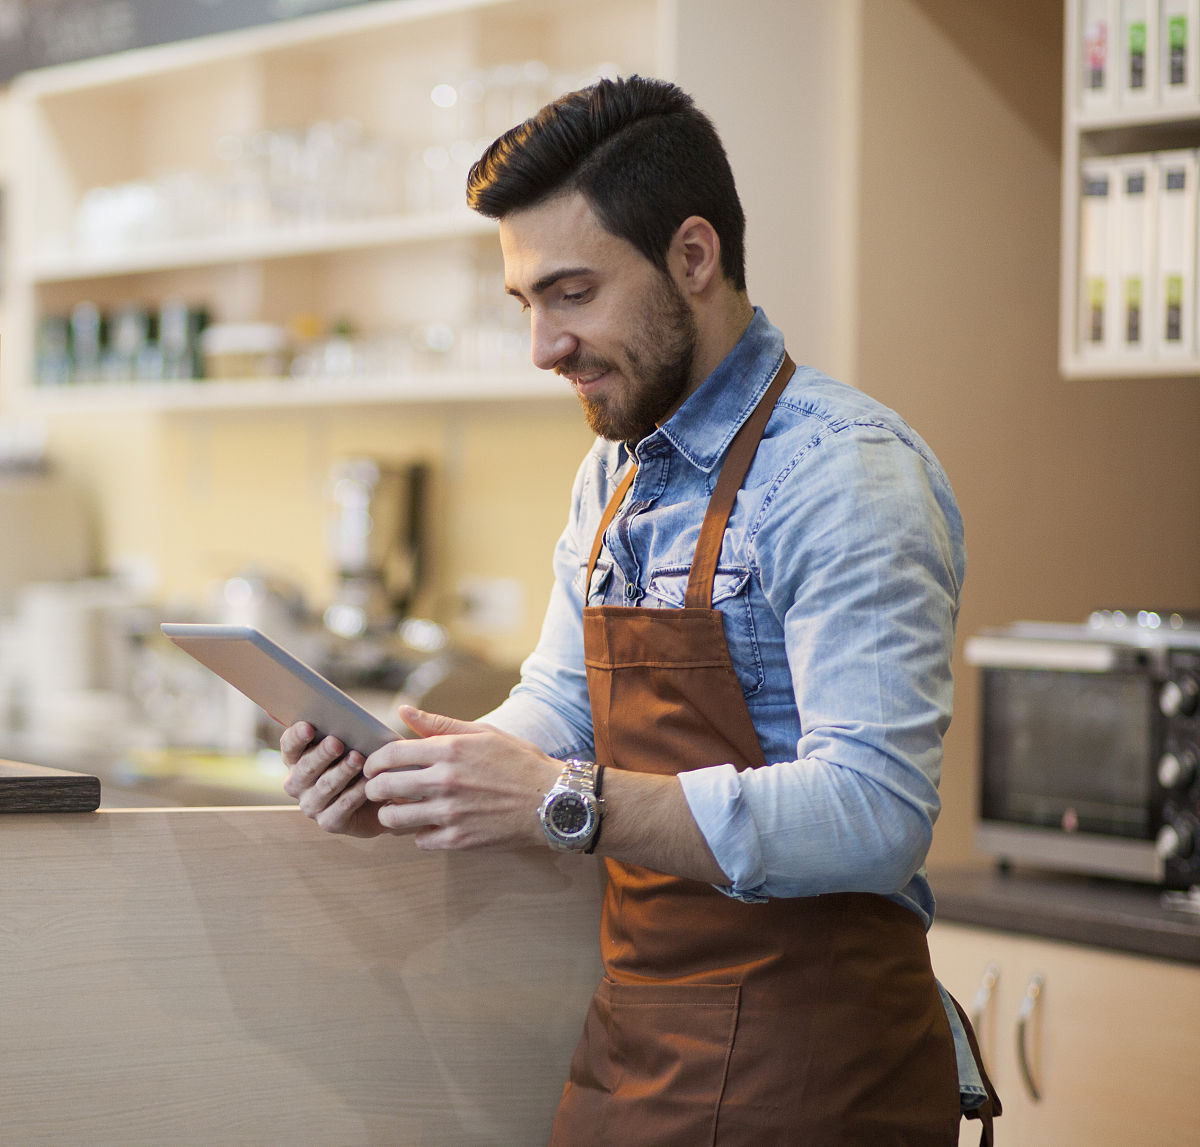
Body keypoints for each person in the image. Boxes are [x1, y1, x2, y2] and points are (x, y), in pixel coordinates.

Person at [281, 75, 999, 1145]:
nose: (544, 347)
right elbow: (560, 709)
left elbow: (874, 813)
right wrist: (422, 769)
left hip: (814, 1076)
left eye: (572, 293)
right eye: (526, 304)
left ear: (694, 259)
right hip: (637, 1053)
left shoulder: (845, 475)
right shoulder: (616, 472)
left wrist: (560, 801)